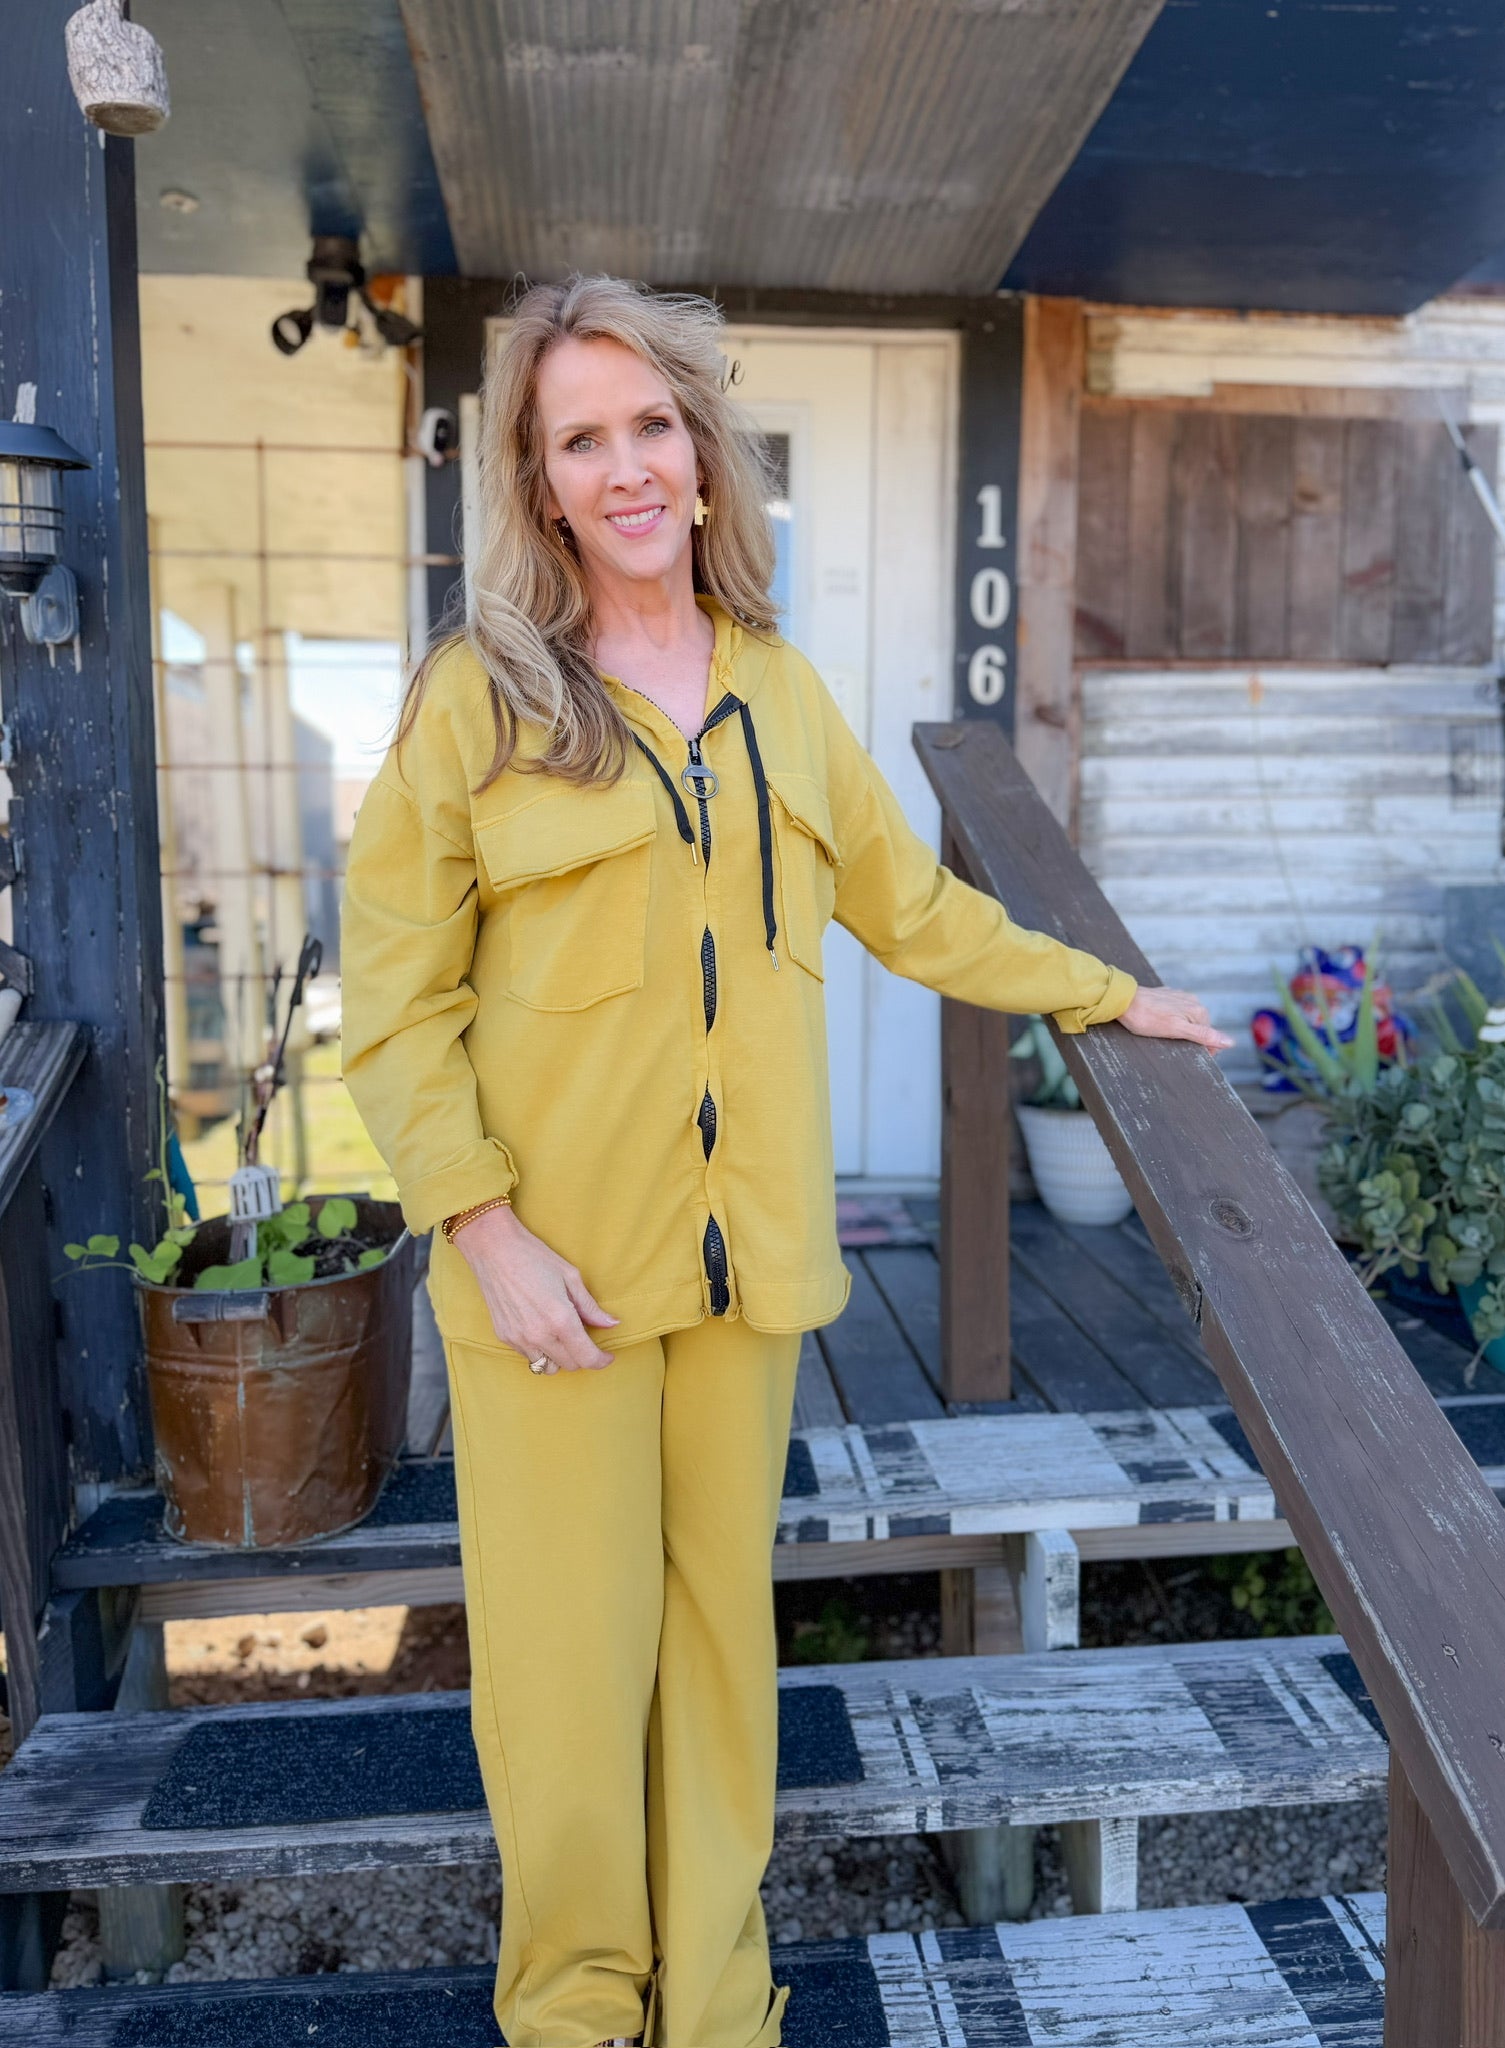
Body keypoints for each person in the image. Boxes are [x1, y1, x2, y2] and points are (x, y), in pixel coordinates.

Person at [340, 275, 1231, 2048]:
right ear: (536, 478)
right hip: (557, 1283)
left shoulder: (783, 694)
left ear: (701, 448)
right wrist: (487, 1232)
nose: (625, 468)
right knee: (568, 1683)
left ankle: (722, 2007)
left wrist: (1112, 996)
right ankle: (584, 2013)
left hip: (744, 1279)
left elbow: (916, 910)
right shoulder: (480, 703)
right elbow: (391, 1000)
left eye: (649, 425)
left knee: (723, 1664)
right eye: (578, 438)